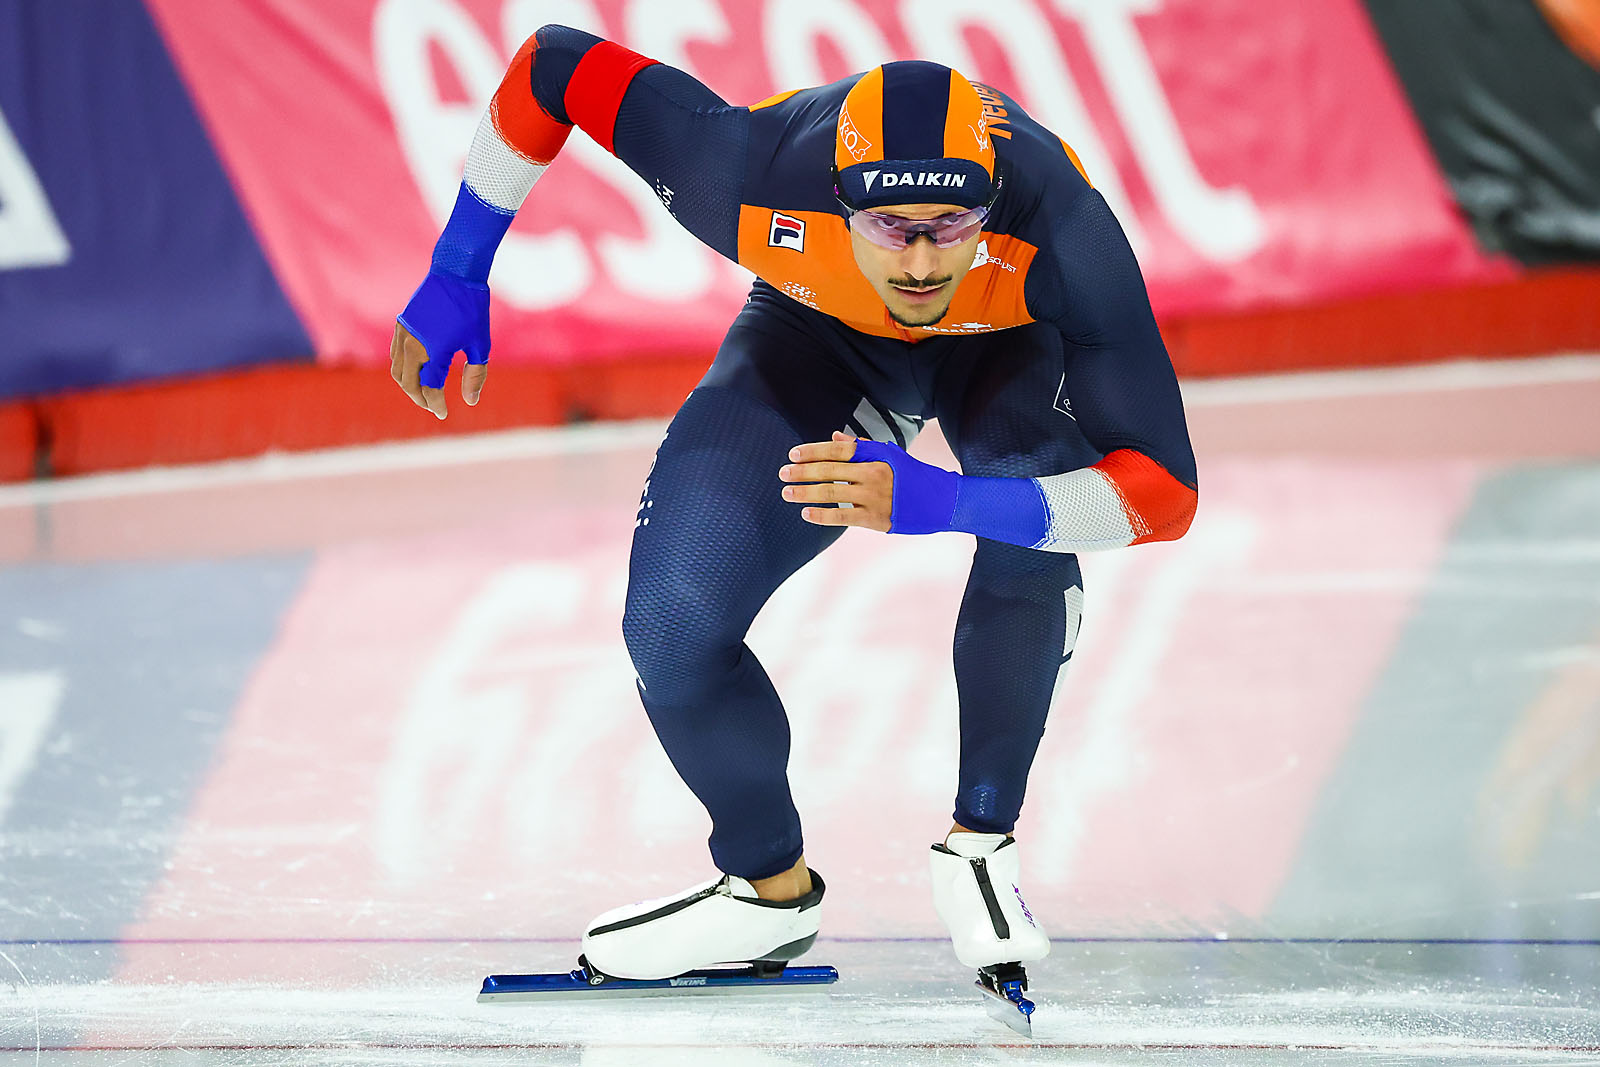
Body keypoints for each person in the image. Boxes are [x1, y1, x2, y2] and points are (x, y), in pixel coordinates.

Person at [392, 25, 1197, 985]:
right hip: (815, 335)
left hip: (1005, 343)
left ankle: (982, 842)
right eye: (891, 228)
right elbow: (554, 66)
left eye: (952, 226)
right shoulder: (742, 171)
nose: (922, 266)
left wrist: (948, 501)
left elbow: (1167, 496)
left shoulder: (1065, 230)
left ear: (990, 203)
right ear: (836, 202)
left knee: (1022, 499)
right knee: (671, 625)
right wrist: (457, 267)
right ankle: (763, 892)